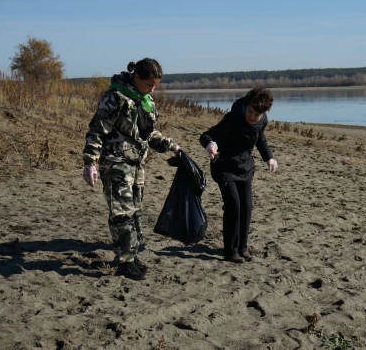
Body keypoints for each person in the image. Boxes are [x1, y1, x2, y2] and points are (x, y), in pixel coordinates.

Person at [82, 58, 181, 280]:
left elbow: (148, 134)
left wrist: (171, 145)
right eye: (149, 85)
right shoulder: (114, 97)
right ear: (136, 78)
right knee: (121, 212)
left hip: (137, 164)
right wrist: (90, 162)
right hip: (116, 162)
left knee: (135, 211)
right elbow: (97, 130)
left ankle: (131, 256)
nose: (152, 90)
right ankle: (125, 262)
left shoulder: (145, 101)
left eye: (155, 86)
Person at [199, 88, 278, 264]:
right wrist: (210, 144)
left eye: (256, 114)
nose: (251, 116)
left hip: (245, 167)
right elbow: (207, 135)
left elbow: (260, 138)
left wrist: (269, 158)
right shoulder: (233, 117)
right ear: (245, 106)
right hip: (224, 166)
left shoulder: (262, 121)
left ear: (263, 113)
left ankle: (242, 247)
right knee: (234, 205)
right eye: (249, 111)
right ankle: (230, 250)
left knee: (247, 206)